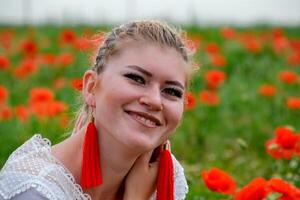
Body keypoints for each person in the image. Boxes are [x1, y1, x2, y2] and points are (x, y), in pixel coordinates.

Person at [0, 20, 194, 200]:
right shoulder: (36, 189)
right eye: (136, 78)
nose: (154, 100)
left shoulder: (163, 178)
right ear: (91, 87)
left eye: (172, 91)